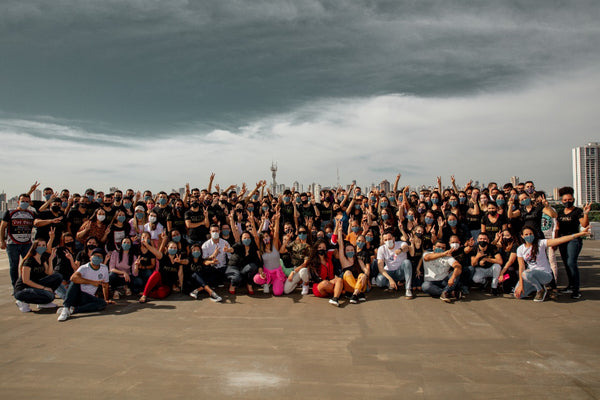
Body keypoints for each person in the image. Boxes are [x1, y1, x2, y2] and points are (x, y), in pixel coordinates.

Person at [515, 225, 591, 302]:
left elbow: (560, 240)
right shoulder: (520, 249)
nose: (529, 236)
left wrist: (579, 234)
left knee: (525, 274)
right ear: (522, 236)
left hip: (545, 275)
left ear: (534, 234)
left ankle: (540, 290)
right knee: (518, 295)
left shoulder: (541, 243)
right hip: (531, 275)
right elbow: (521, 267)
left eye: (530, 234)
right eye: (526, 234)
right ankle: (536, 287)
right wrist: (521, 285)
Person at [57, 247, 114, 321]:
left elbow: (105, 285)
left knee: (102, 304)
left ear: (102, 259)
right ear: (90, 257)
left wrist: (106, 299)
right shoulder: (84, 267)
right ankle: (65, 308)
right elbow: (73, 278)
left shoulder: (104, 268)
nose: (97, 258)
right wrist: (92, 282)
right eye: (95, 256)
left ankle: (73, 310)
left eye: (99, 256)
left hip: (89, 297)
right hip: (78, 294)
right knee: (75, 282)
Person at [556, 186, 591, 299]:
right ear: (561, 201)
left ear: (573, 199)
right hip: (562, 240)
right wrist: (555, 242)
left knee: (571, 262)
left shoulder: (577, 211)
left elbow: (584, 224)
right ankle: (570, 285)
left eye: (570, 199)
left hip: (573, 240)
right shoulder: (560, 212)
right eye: (565, 200)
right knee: (566, 263)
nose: (567, 202)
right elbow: (557, 227)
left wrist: (585, 213)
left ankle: (576, 289)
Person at [14, 240, 62, 312]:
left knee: (58, 276)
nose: (42, 247)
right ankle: (22, 301)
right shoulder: (29, 261)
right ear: (35, 247)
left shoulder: (42, 259)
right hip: (23, 289)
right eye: (39, 245)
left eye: (43, 245)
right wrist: (44, 288)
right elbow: (26, 281)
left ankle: (43, 303)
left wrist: (50, 260)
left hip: (35, 285)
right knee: (50, 296)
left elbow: (49, 273)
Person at [1, 193, 37, 288]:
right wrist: (2, 241)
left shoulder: (32, 213)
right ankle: (16, 286)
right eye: (22, 201)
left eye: (27, 201)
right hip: (12, 244)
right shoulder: (10, 212)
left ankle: (26, 284)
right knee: (14, 266)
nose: (24, 203)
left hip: (27, 243)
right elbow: (2, 226)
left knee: (28, 265)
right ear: (18, 202)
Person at [139, 234, 186, 303]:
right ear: (167, 248)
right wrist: (147, 245)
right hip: (159, 280)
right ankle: (144, 295)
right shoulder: (163, 257)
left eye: (175, 248)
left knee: (162, 294)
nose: (173, 249)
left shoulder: (178, 260)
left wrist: (181, 287)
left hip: (167, 285)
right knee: (156, 273)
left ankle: (149, 293)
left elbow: (180, 274)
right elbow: (154, 251)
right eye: (171, 247)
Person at [253, 212, 286, 295]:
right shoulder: (261, 249)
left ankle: (277, 283)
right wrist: (252, 222)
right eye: (264, 237)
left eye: (267, 236)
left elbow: (276, 234)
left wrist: (277, 220)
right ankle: (266, 283)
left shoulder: (274, 246)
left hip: (277, 273)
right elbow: (256, 236)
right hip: (266, 272)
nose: (266, 238)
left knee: (278, 293)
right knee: (257, 279)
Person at [375, 229, 413, 298]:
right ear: (383, 241)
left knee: (407, 262)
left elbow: (406, 247)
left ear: (393, 238)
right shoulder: (381, 249)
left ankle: (408, 289)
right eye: (385, 240)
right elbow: (380, 267)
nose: (388, 241)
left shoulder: (400, 243)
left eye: (389, 239)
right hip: (389, 271)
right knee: (379, 281)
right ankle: (392, 283)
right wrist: (390, 279)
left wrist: (400, 250)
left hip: (400, 272)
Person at [338, 222, 369, 303]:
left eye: (352, 250)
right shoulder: (344, 260)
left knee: (362, 274)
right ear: (345, 252)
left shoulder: (358, 260)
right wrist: (339, 231)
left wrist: (365, 275)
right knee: (347, 272)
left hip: (361, 284)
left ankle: (355, 294)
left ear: (354, 251)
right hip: (350, 287)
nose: (350, 251)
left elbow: (366, 270)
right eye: (348, 250)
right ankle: (359, 293)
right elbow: (341, 246)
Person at [307, 239, 344, 306]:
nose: (322, 249)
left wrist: (338, 229)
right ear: (316, 249)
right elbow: (315, 278)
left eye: (324, 248)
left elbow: (333, 241)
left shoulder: (328, 257)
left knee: (339, 279)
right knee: (325, 283)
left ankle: (335, 298)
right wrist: (329, 281)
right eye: (320, 247)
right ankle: (339, 291)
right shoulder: (313, 262)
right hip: (320, 285)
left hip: (331, 283)